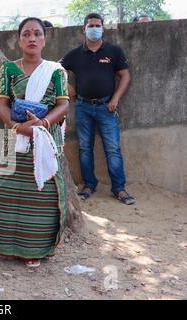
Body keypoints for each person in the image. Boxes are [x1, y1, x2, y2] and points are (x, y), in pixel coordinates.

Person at [0, 17, 70, 270]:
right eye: (26, 34)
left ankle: (33, 248)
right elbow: (1, 104)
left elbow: (63, 104)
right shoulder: (7, 69)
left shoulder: (56, 71)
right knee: (5, 192)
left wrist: (43, 125)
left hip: (45, 139)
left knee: (41, 196)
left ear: (44, 38)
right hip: (15, 138)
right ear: (18, 39)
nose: (32, 38)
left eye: (37, 34)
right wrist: (18, 127)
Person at [60, 13, 135, 205]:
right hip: (83, 107)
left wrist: (115, 99)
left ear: (102, 28)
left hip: (106, 107)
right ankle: (89, 185)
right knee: (85, 148)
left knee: (113, 149)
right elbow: (56, 70)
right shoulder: (75, 54)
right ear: (83, 29)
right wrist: (69, 88)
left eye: (98, 25)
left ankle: (119, 189)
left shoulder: (113, 51)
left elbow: (125, 76)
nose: (94, 28)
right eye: (91, 25)